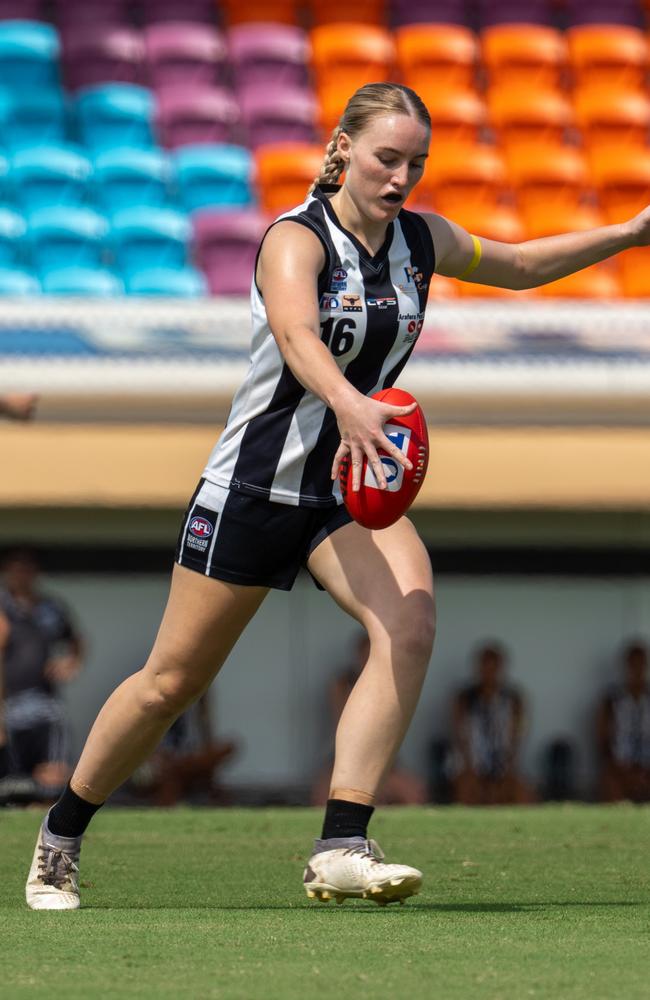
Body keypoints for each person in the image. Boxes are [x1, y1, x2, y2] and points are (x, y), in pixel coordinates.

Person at [25, 81, 650, 910]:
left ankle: (342, 842)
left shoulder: (419, 242)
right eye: (387, 158)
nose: (401, 177)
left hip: (345, 493)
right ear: (345, 147)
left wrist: (632, 232)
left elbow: (526, 266)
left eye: (416, 163)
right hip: (254, 487)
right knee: (169, 683)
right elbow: (295, 336)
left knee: (411, 621)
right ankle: (59, 839)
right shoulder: (297, 240)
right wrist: (352, 405)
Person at [311, 630, 428, 806]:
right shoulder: (342, 684)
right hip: (343, 758)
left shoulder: (390, 684)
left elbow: (391, 730)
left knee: (414, 791)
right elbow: (345, 728)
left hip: (384, 759)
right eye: (365, 653)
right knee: (322, 794)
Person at [0, 549, 83, 792]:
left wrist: (70, 662)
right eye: (16, 570)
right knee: (12, 780)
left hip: (44, 702)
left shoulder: (50, 608)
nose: (21, 576)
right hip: (8, 705)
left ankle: (50, 823)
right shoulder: (3, 607)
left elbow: (76, 640)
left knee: (53, 771)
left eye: (27, 570)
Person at [452, 643, 535, 805]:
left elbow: (518, 736)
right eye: (485, 666)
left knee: (522, 792)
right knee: (467, 788)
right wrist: (471, 768)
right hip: (472, 763)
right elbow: (459, 735)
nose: (489, 672)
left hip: (504, 763)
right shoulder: (464, 698)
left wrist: (508, 768)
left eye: (493, 666)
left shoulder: (514, 699)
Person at [597, 641, 650, 803]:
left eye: (640, 664)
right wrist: (620, 768)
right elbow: (602, 738)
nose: (637, 669)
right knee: (610, 784)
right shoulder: (612, 699)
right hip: (620, 767)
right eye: (633, 664)